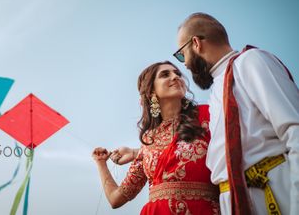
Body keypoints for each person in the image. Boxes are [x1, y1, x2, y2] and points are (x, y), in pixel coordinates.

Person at [174, 13, 299, 214]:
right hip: (234, 202)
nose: (185, 64)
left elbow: (295, 128)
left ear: (196, 43)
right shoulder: (218, 88)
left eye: (181, 54)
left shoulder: (250, 61)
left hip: (274, 194)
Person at [92, 61, 220, 214]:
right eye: (165, 75)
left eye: (177, 74)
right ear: (152, 91)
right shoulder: (148, 140)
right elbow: (116, 199)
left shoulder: (209, 116)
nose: (175, 77)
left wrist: (133, 152)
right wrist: (101, 163)